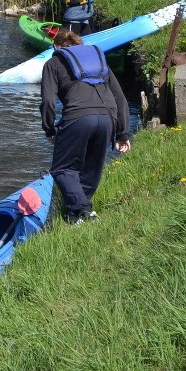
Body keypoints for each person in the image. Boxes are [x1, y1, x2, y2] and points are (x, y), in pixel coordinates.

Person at [40, 30, 131, 225]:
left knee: (62, 169)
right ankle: (76, 217)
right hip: (108, 118)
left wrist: (49, 129)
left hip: (78, 116)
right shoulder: (99, 61)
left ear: (56, 47)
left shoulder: (53, 63)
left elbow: (48, 101)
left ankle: (85, 210)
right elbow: (120, 97)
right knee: (91, 169)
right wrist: (123, 133)